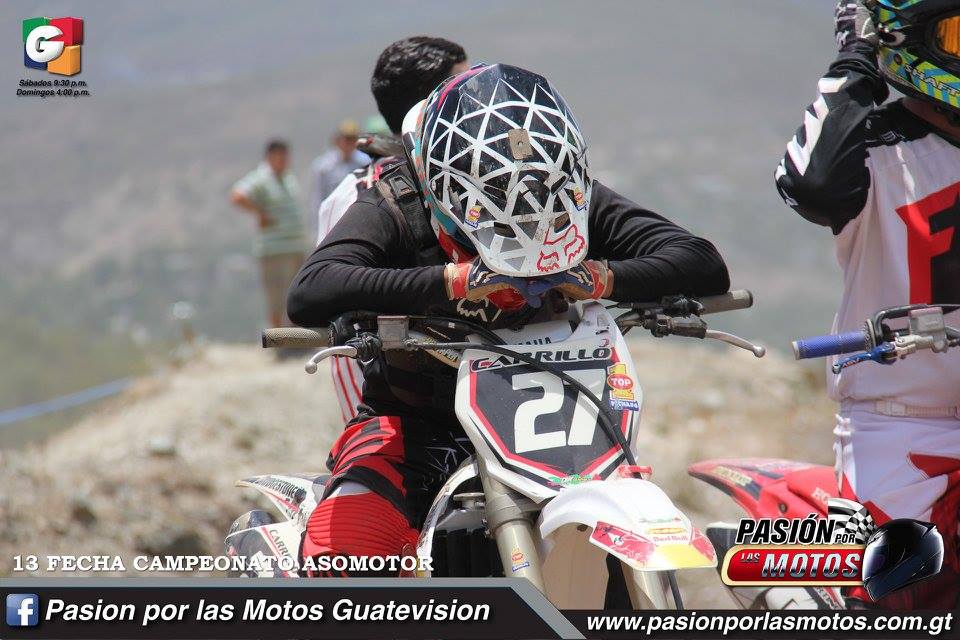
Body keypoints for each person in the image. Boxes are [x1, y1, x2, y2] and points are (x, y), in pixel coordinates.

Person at [287, 63, 730, 575]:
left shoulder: (559, 189)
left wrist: (600, 278)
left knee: (613, 536)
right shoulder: (398, 201)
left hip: (560, 419)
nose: (522, 203)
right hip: (417, 426)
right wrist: (453, 281)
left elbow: (700, 261)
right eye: (497, 195)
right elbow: (313, 288)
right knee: (346, 553)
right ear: (448, 188)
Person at [775, 0, 960, 609]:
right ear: (909, 38)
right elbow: (810, 184)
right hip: (904, 426)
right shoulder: (876, 150)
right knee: (896, 602)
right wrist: (856, 61)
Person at [316, 36, 469, 424]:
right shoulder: (358, 193)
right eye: (462, 90)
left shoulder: (479, 180)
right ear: (429, 103)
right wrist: (367, 426)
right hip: (406, 412)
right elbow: (340, 326)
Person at [231, 139, 305, 328]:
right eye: (280, 156)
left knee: (296, 296)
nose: (283, 160)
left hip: (294, 247)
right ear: (270, 157)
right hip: (274, 250)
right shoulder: (261, 178)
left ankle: (294, 338)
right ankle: (277, 338)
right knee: (276, 299)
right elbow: (237, 195)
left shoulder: (288, 178)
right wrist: (260, 213)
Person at [308, 120, 369, 227]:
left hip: (357, 219)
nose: (349, 143)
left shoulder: (364, 163)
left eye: (353, 139)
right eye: (346, 139)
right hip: (332, 220)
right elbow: (317, 199)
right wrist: (318, 228)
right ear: (337, 140)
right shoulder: (324, 167)